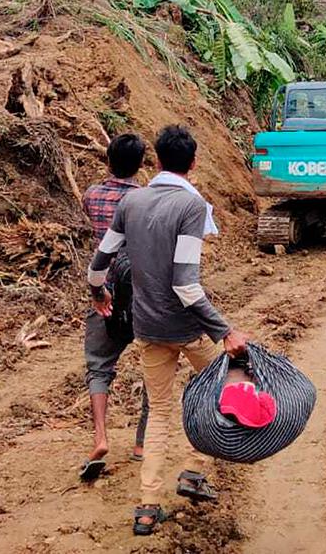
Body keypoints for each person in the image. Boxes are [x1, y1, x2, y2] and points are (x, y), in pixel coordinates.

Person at [86, 124, 248, 537]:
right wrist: (224, 330)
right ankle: (194, 470)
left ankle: (147, 506)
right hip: (187, 327)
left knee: (159, 413)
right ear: (192, 164)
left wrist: (97, 294)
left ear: (155, 161)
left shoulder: (133, 201)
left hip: (148, 327)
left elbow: (99, 262)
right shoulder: (192, 207)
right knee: (219, 390)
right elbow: (186, 283)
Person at [78, 133, 149, 483]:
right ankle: (141, 443)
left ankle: (101, 437)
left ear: (108, 160)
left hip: (103, 291)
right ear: (141, 165)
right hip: (142, 294)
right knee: (156, 361)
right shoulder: (145, 200)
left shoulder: (91, 195)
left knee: (99, 366)